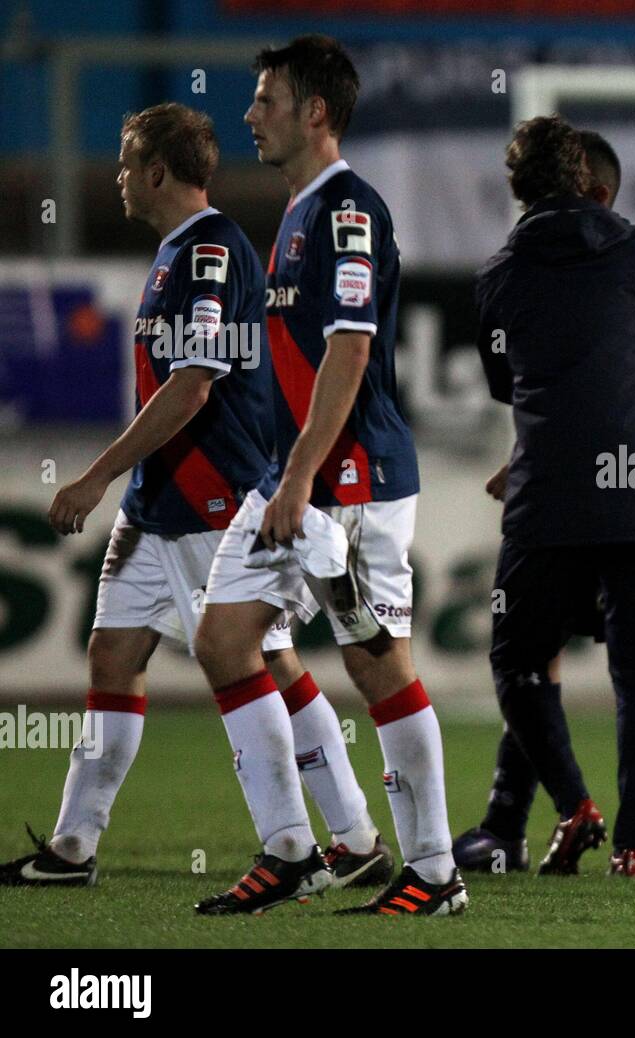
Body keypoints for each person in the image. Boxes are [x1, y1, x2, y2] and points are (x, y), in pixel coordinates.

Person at [0, 103, 386, 891]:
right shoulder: (180, 253)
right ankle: (73, 848)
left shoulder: (208, 254)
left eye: (123, 161)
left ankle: (340, 836)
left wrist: (96, 473)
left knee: (263, 661)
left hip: (217, 502)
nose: (114, 176)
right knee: (113, 654)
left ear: (155, 173)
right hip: (158, 507)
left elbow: (193, 388)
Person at [191, 35, 466, 916]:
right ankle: (293, 851)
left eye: (265, 98)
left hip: (352, 482)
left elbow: (350, 351)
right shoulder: (302, 213)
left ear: (315, 112)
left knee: (375, 664)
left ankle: (433, 869)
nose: (250, 114)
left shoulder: (347, 212)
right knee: (224, 640)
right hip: (296, 476)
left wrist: (303, 475)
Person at [475, 115, 635, 877]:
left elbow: (501, 381)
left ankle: (572, 807)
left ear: (518, 189)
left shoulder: (499, 275)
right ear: (597, 185)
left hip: (547, 495)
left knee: (520, 660)